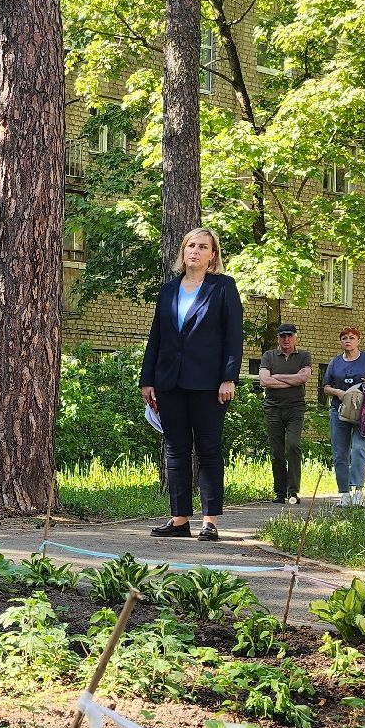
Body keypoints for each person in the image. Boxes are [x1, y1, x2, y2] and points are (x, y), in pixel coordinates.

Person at [139, 228, 244, 541]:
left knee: (209, 449)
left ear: (213, 255)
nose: (195, 251)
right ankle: (179, 518)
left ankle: (209, 520)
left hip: (209, 383)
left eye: (203, 247)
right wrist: (148, 379)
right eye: (191, 246)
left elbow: (233, 337)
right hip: (169, 380)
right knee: (176, 450)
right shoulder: (169, 290)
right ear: (183, 251)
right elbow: (156, 337)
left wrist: (229, 377)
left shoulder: (223, 287)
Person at [321, 326, 365, 507]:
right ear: (341, 342)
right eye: (344, 338)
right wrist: (338, 392)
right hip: (339, 411)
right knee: (340, 453)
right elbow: (325, 387)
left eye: (352, 337)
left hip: (364, 412)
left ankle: (358, 492)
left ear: (358, 341)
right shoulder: (335, 362)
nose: (348, 340)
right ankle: (344, 494)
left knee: (358, 449)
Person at [258, 322, 311, 505]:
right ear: (278, 338)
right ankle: (280, 493)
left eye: (289, 336)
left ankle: (293, 491)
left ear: (296, 337)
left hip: (295, 407)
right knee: (276, 451)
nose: (286, 339)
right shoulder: (269, 356)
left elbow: (303, 378)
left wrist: (277, 377)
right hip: (273, 408)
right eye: (282, 336)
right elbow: (264, 381)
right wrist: (292, 380)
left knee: (294, 445)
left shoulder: (304, 356)